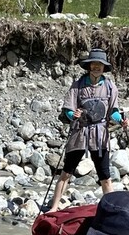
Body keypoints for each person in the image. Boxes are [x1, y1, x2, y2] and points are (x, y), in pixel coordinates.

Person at [47, 47, 125, 211]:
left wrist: (122, 120)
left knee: (105, 176)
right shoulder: (78, 85)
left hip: (100, 134)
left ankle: (111, 212)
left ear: (104, 68)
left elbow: (114, 112)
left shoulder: (111, 87)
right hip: (79, 132)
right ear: (89, 66)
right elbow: (68, 109)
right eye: (94, 64)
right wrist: (72, 115)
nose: (97, 67)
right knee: (66, 173)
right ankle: (54, 208)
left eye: (100, 65)